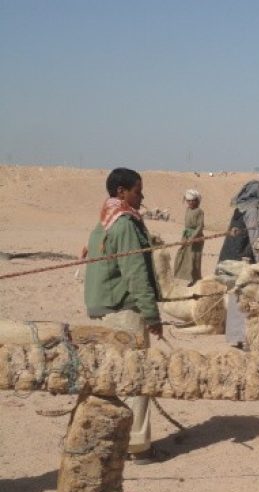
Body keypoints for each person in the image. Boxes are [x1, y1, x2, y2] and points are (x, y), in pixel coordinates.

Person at [84, 167, 161, 464]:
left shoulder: (102, 222)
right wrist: (152, 315)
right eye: (137, 191)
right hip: (125, 311)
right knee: (136, 377)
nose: (140, 197)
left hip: (104, 311)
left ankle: (115, 443)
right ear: (122, 192)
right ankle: (139, 447)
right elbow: (135, 273)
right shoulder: (126, 223)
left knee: (112, 378)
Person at [217, 180, 259, 348]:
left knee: (236, 295)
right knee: (243, 296)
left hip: (230, 257)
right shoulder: (252, 210)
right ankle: (239, 338)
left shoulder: (241, 207)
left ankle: (235, 337)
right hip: (241, 260)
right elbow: (255, 239)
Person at [173, 189, 204, 285]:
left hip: (196, 238)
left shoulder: (199, 211)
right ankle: (182, 277)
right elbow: (186, 227)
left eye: (192, 200)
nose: (190, 202)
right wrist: (184, 238)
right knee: (182, 255)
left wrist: (193, 237)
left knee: (194, 259)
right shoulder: (187, 210)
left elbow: (200, 226)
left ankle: (195, 280)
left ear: (197, 201)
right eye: (188, 200)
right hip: (187, 237)